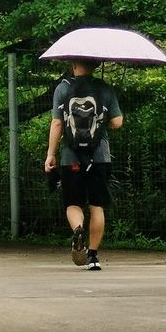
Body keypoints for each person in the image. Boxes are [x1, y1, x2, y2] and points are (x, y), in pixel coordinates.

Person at [44, 59, 123, 271]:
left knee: (73, 203)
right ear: (96, 65)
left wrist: (50, 154)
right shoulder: (104, 88)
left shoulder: (63, 88)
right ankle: (94, 257)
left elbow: (57, 123)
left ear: (73, 65)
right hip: (100, 157)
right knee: (97, 206)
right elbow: (117, 122)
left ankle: (78, 230)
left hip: (71, 158)